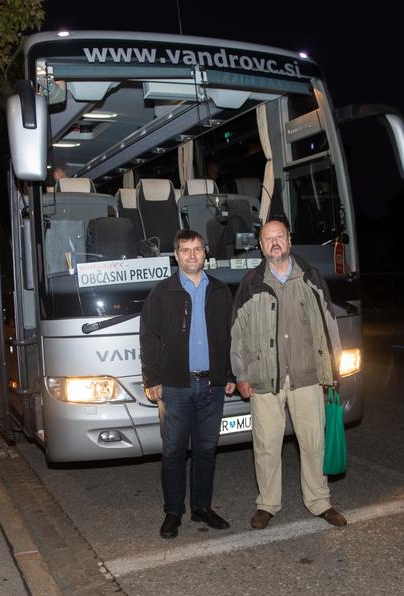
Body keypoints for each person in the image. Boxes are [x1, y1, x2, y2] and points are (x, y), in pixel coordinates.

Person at [231, 219, 347, 529]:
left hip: (306, 375)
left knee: (313, 442)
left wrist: (332, 370)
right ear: (261, 246)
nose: (274, 243)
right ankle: (267, 504)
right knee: (267, 445)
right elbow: (237, 335)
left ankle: (320, 501)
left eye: (278, 237)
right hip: (264, 379)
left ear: (289, 241)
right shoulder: (251, 283)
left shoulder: (310, 278)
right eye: (267, 239)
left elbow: (328, 326)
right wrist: (241, 374)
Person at [140, 229, 236, 539]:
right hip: (175, 386)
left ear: (205, 253)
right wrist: (152, 379)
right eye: (185, 250)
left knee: (207, 450)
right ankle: (173, 512)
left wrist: (230, 375)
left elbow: (230, 336)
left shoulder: (220, 291)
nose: (192, 255)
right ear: (176, 255)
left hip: (212, 387)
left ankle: (202, 508)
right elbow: (149, 337)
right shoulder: (162, 292)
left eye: (197, 249)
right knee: (174, 453)